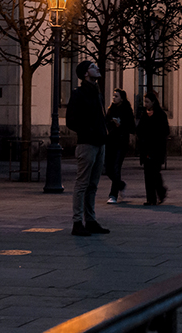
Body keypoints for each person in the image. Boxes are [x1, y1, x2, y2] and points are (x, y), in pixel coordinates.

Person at [66, 61, 110, 236]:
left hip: (100, 143)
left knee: (93, 184)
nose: (97, 68)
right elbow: (71, 120)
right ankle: (77, 222)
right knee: (82, 183)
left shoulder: (97, 93)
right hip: (87, 144)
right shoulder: (78, 94)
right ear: (85, 73)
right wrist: (89, 131)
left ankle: (90, 220)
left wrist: (105, 131)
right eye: (93, 67)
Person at [136, 90, 169, 206]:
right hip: (146, 148)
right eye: (145, 102)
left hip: (156, 149)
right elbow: (139, 130)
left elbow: (165, 131)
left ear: (153, 102)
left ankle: (161, 192)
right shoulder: (144, 114)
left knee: (154, 173)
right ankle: (151, 198)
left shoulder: (160, 115)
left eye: (147, 102)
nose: (145, 104)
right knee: (147, 174)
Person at [105, 88, 135, 204]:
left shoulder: (127, 110)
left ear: (122, 98)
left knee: (116, 168)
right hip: (110, 142)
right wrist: (111, 124)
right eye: (113, 96)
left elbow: (132, 128)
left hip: (121, 143)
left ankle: (113, 195)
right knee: (108, 169)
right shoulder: (111, 109)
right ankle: (120, 184)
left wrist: (120, 125)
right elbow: (106, 122)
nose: (114, 98)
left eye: (116, 96)